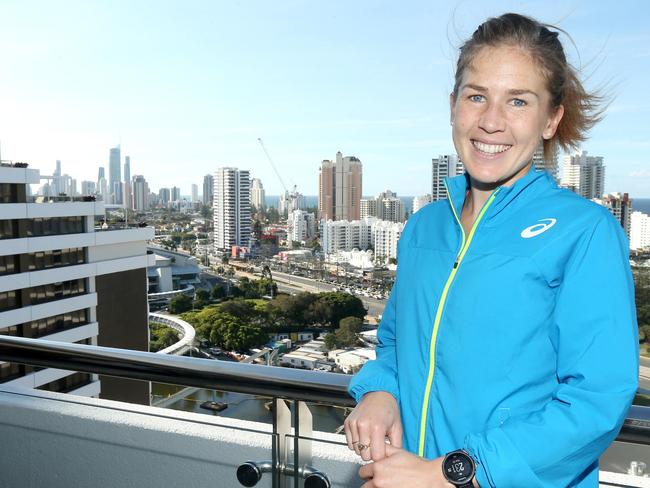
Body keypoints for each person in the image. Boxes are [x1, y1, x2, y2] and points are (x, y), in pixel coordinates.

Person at [345, 12, 638, 488]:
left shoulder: (585, 231)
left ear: (551, 119)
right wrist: (379, 390)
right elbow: (397, 343)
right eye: (476, 96)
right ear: (453, 104)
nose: (491, 121)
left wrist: (453, 473)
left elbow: (596, 400)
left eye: (518, 101)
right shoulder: (422, 227)